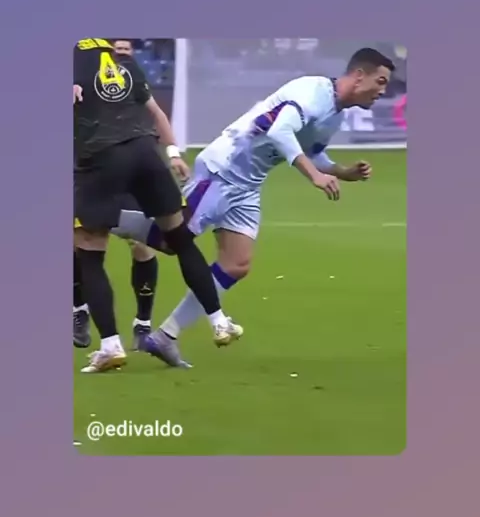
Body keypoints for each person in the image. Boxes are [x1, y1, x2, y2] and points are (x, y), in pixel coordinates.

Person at [122, 47, 394, 367]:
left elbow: (312, 152)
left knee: (236, 264)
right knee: (169, 241)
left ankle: (165, 336)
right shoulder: (313, 91)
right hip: (223, 169)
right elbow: (280, 131)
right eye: (380, 81)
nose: (383, 90)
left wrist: (342, 172)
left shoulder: (336, 114)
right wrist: (314, 176)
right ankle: (100, 217)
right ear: (359, 75)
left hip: (248, 185)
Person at [73, 38, 237, 374]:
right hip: (146, 154)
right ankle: (219, 321)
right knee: (180, 238)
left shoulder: (70, 62)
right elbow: (155, 112)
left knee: (89, 250)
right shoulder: (125, 64)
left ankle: (110, 345)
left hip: (102, 160)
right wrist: (173, 153)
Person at [73, 39, 188, 352]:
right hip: (94, 168)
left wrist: (173, 153)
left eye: (126, 50)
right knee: (81, 244)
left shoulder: (131, 78)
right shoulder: (83, 74)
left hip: (131, 171)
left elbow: (157, 114)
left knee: (141, 245)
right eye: (118, 49)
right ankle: (79, 312)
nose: (122, 54)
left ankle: (142, 324)